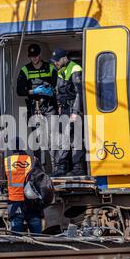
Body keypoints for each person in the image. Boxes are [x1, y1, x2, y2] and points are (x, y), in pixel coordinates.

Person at [0, 137, 44, 234]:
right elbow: (42, 180)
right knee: (37, 233)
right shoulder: (33, 160)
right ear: (23, 146)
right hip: (32, 202)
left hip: (15, 202)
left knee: (16, 235)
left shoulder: (6, 162)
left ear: (10, 147)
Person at [17, 44, 58, 172]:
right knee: (38, 140)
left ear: (40, 55)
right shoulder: (25, 69)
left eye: (35, 56)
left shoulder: (50, 68)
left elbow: (58, 86)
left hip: (50, 106)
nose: (34, 59)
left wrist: (52, 91)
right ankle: (40, 171)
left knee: (52, 138)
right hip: (35, 108)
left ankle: (56, 169)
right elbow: (19, 91)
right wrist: (34, 91)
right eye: (31, 57)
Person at [49, 49, 86, 177]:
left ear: (64, 58)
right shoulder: (61, 71)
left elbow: (79, 93)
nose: (56, 63)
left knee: (75, 138)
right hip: (64, 109)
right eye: (54, 62)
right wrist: (59, 106)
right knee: (63, 138)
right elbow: (60, 91)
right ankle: (62, 167)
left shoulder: (75, 69)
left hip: (73, 109)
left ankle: (78, 168)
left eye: (57, 61)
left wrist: (75, 112)